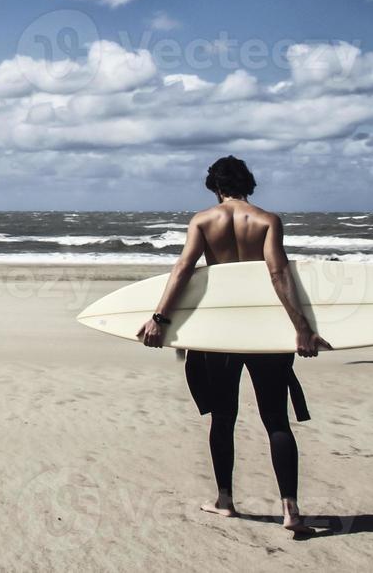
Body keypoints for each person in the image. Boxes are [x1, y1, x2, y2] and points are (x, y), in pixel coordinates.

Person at [135, 156, 330, 535]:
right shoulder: (268, 221)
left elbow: (184, 269)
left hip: (220, 334)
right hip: (264, 333)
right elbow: (278, 273)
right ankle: (290, 509)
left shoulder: (203, 221)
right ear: (249, 184)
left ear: (215, 187)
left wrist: (158, 319)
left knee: (223, 418)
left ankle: (225, 500)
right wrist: (302, 329)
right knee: (276, 419)